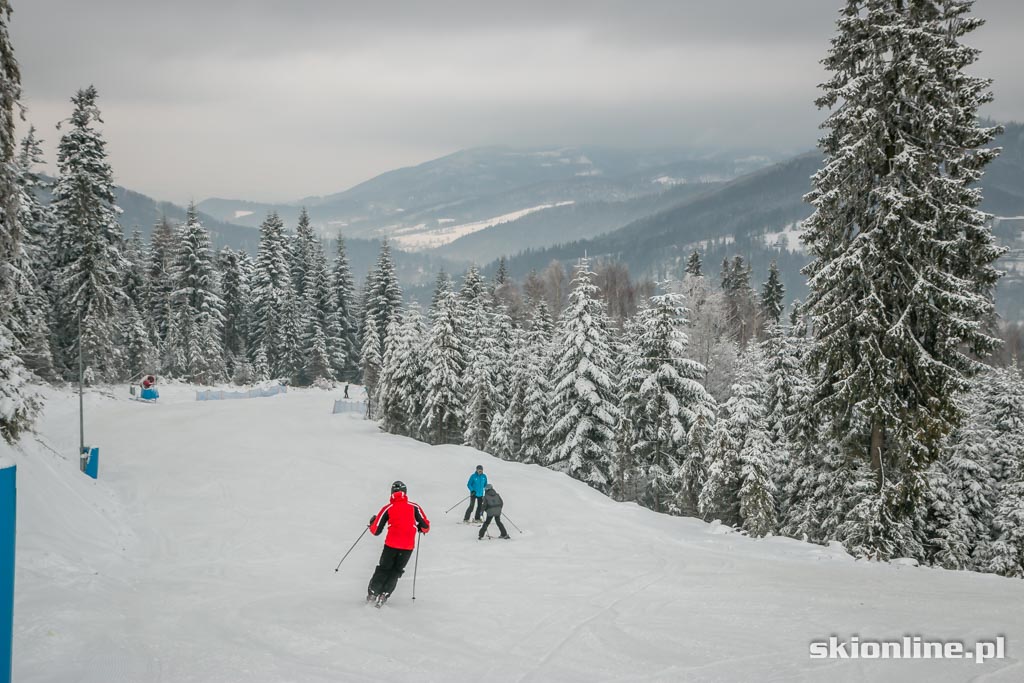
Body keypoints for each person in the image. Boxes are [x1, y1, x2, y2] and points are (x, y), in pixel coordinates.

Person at [367, 480, 430, 605]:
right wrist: (419, 528)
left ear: (392, 493)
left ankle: (373, 592)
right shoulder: (414, 507)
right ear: (405, 492)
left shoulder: (388, 508)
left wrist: (372, 522)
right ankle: (385, 594)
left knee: (384, 569)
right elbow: (426, 527)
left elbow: (376, 531)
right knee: (396, 570)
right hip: (407, 547)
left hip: (391, 544)